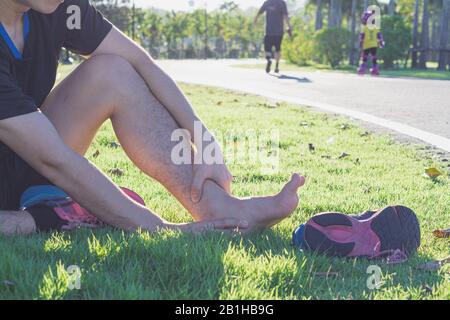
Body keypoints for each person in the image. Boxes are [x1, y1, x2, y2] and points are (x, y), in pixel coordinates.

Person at [0, 0, 305, 235]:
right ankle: (38, 217)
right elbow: (53, 158)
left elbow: (141, 62)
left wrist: (204, 139)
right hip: (34, 158)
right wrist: (159, 229)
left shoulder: (58, 8)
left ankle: (217, 206)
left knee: (113, 72)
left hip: (23, 160)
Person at [254, 0, 292, 74]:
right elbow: (285, 16)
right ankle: (276, 67)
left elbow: (259, 12)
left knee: (267, 49)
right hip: (279, 32)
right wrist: (289, 27)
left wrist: (255, 20)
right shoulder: (282, 3)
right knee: (278, 49)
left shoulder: (267, 2)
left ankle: (269, 60)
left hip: (268, 31)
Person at [358, 9, 385, 76]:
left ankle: (362, 69)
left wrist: (360, 43)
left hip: (366, 45)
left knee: (364, 57)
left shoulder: (364, 28)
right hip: (374, 45)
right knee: (374, 57)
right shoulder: (375, 27)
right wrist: (381, 43)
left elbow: (362, 37)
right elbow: (379, 36)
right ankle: (375, 70)